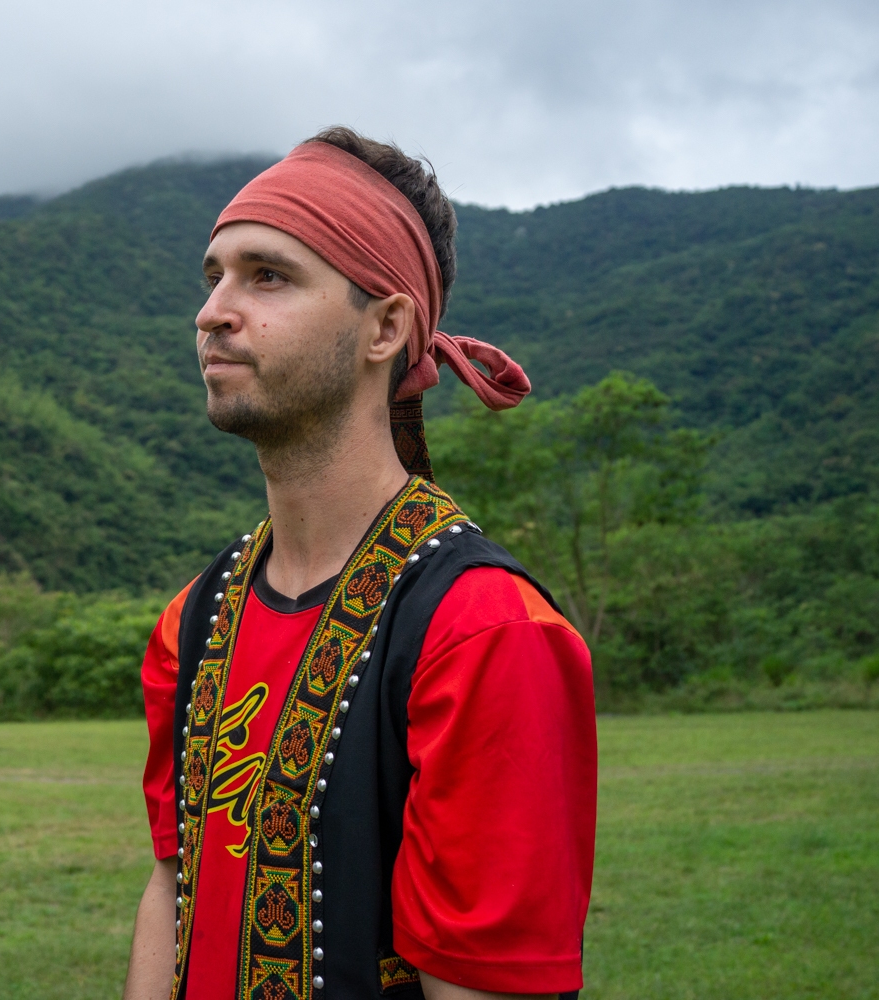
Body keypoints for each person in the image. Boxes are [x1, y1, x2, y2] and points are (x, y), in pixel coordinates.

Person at [121, 128, 597, 1000]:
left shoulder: (486, 634)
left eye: (268, 276)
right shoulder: (193, 620)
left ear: (386, 327)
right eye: (214, 276)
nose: (213, 311)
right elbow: (174, 885)